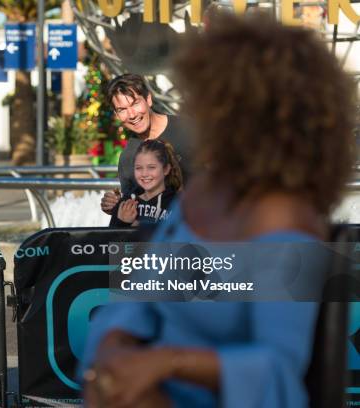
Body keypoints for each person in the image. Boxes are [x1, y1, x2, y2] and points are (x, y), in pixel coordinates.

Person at [81, 13, 356, 408]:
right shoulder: (203, 194)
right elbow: (142, 295)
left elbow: (277, 368)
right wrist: (112, 347)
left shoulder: (285, 218)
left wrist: (165, 365)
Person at [100, 73, 193, 216]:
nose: (131, 115)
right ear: (116, 115)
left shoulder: (188, 129)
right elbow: (139, 211)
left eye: (135, 103)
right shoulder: (128, 157)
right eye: (122, 109)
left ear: (148, 99)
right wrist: (117, 206)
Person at [110, 139, 182, 228]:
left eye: (151, 167)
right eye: (139, 168)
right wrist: (123, 223)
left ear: (166, 169)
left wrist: (139, 227)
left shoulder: (179, 204)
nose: (144, 174)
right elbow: (110, 240)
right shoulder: (125, 203)